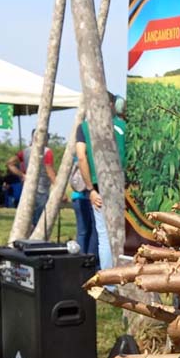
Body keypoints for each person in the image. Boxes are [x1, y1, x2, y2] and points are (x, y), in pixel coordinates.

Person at [76, 95, 128, 271]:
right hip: (125, 188)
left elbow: (81, 157)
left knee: (104, 236)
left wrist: (90, 189)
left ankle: (109, 282)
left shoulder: (84, 128)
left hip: (99, 189)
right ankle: (126, 276)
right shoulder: (124, 127)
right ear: (112, 105)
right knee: (125, 234)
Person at [7, 135, 56, 230]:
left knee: (29, 217)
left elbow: (10, 163)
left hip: (27, 189)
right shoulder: (47, 151)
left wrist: (22, 175)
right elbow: (49, 170)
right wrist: (58, 188)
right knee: (39, 220)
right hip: (41, 189)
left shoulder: (25, 151)